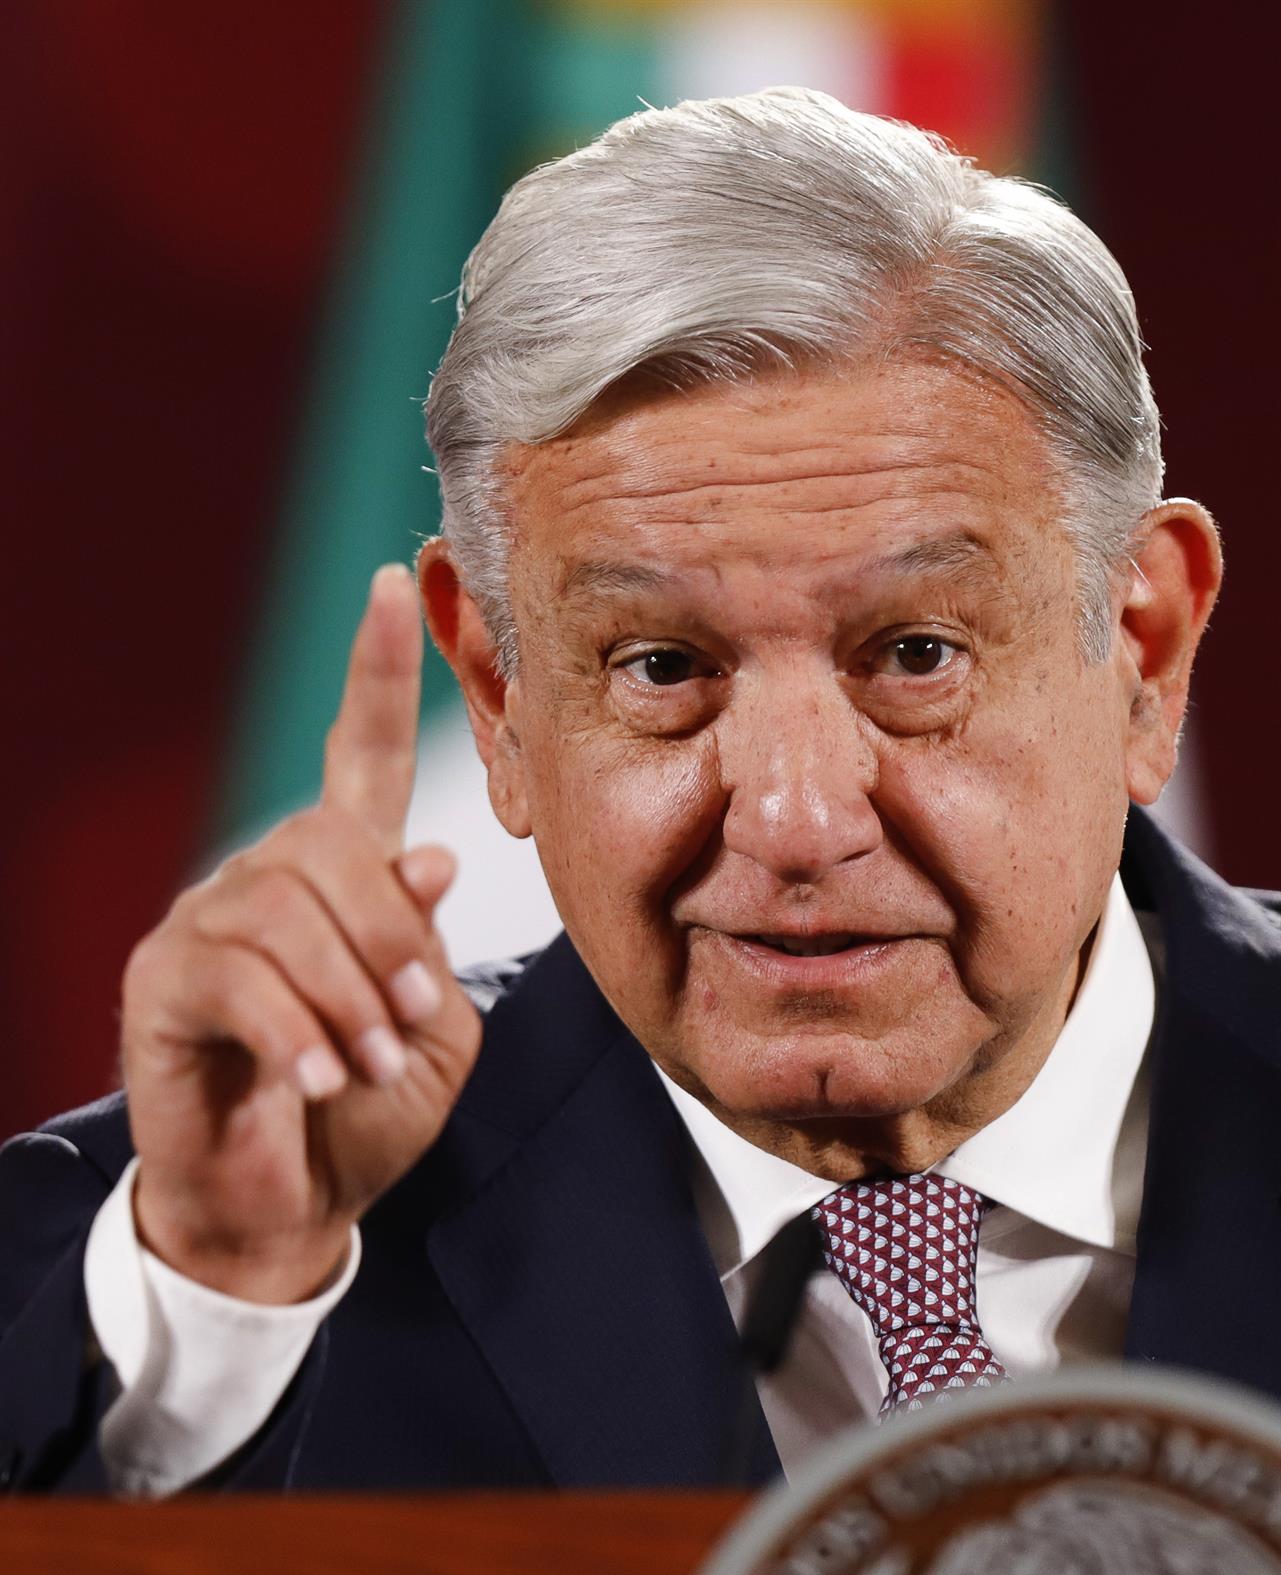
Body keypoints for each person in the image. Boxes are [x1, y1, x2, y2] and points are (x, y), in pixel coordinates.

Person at [1, 90, 1277, 1498]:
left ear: (1144, 650)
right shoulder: (199, 1241)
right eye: (661, 666)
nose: (794, 821)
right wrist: (227, 1295)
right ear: (498, 695)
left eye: (915, 655)